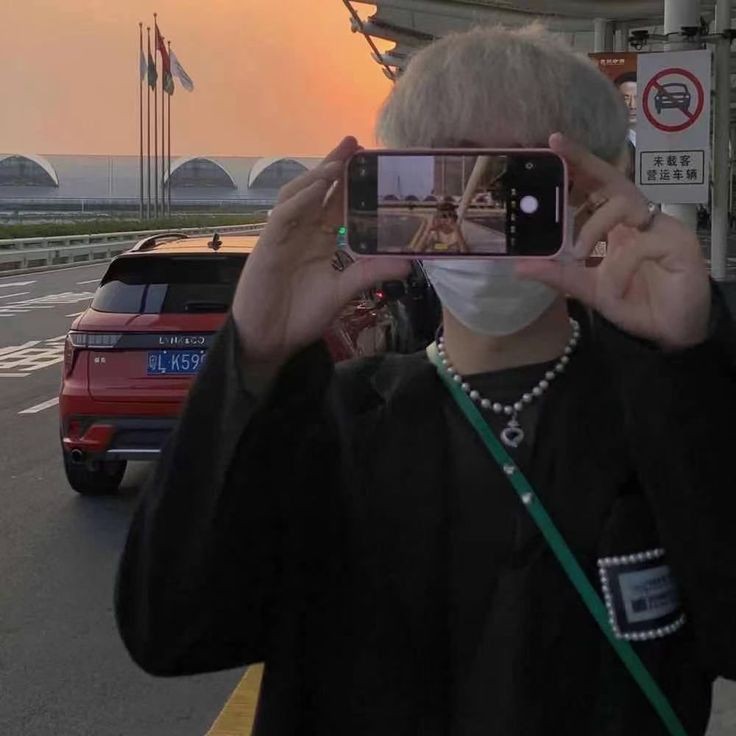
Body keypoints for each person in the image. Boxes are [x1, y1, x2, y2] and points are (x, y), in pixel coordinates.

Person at [115, 24, 736, 736]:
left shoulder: (664, 408)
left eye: (519, 182)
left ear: (594, 196)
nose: (477, 212)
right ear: (400, 197)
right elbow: (170, 630)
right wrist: (253, 356)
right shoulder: (333, 422)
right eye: (446, 178)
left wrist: (687, 358)